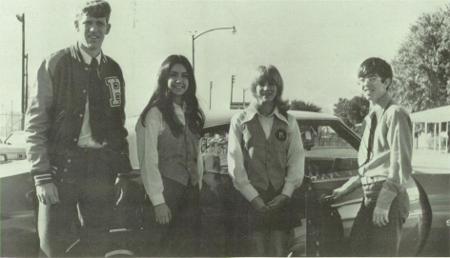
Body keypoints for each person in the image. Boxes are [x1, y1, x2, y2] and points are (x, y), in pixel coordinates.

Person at [25, 1, 132, 257]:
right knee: (51, 248)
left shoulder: (113, 70)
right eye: (87, 23)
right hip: (61, 171)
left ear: (108, 28)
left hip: (100, 171)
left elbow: (118, 126)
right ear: (76, 25)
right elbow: (35, 125)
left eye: (100, 24)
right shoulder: (55, 64)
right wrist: (42, 177)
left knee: (95, 247)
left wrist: (122, 172)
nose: (93, 30)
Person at [327, 57, 413, 256]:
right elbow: (371, 164)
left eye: (372, 78)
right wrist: (347, 186)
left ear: (387, 82)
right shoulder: (371, 117)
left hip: (387, 198)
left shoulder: (395, 113)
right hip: (369, 198)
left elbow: (399, 164)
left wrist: (383, 203)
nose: (366, 83)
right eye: (362, 79)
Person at [227, 65, 305, 256]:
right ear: (254, 87)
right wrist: (253, 197)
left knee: (280, 251)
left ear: (278, 88)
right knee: (257, 252)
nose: (266, 88)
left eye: (272, 84)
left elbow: (296, 158)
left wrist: (286, 194)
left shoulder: (289, 121)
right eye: (262, 83)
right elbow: (235, 162)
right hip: (251, 198)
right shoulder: (240, 120)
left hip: (280, 196)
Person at [135, 55, 205, 256]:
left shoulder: (192, 112)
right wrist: (158, 201)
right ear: (164, 78)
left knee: (188, 251)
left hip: (190, 193)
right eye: (173, 75)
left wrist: (197, 186)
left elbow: (196, 155)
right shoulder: (154, 113)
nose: (179, 80)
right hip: (166, 193)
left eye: (184, 76)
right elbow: (148, 161)